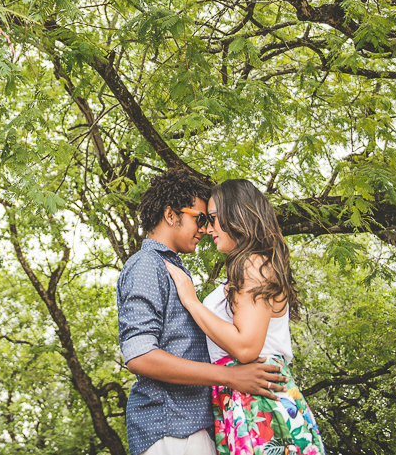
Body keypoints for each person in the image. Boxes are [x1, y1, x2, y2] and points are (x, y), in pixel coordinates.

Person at [118, 169, 289, 455]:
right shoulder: (147, 265)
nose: (205, 228)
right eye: (200, 218)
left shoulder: (175, 269)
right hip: (171, 426)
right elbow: (139, 355)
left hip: (198, 426)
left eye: (210, 220)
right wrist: (228, 377)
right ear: (171, 215)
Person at [164, 178, 326, 455]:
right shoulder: (248, 265)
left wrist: (191, 302)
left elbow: (247, 347)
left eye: (214, 219)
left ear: (236, 216)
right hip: (240, 397)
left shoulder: (254, 264)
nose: (208, 228)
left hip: (260, 403)